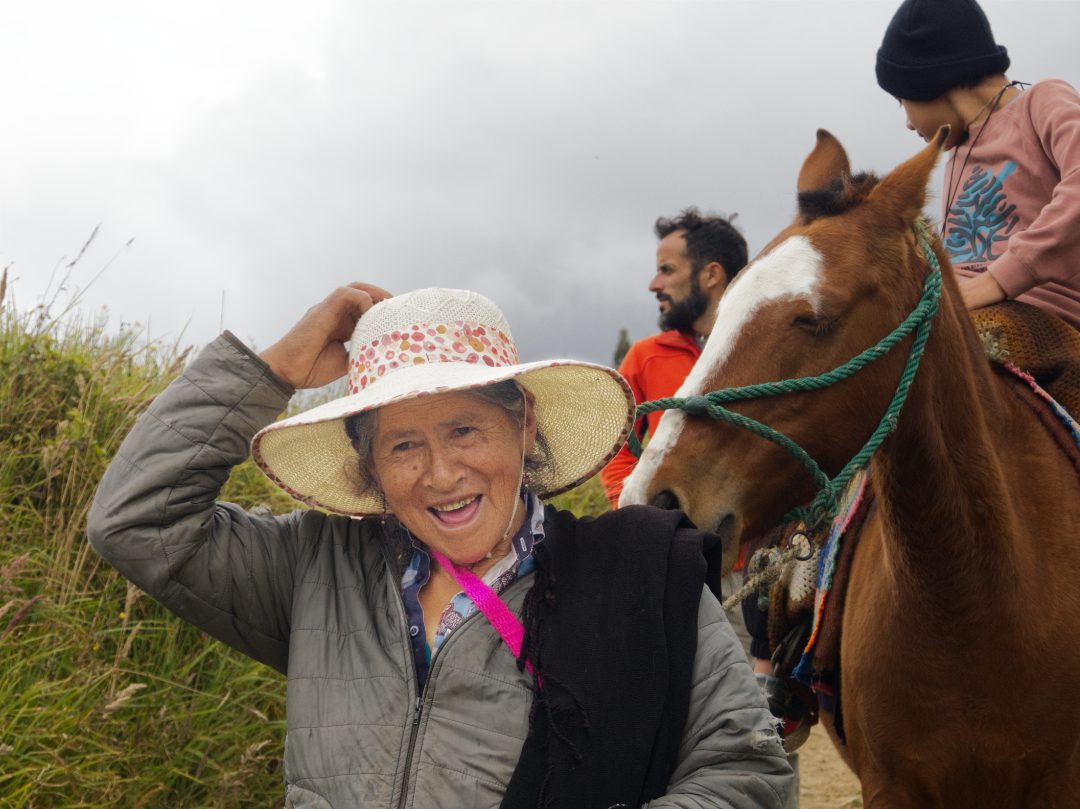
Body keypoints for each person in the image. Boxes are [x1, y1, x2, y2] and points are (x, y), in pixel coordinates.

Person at [87, 284, 793, 808]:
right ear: (369, 466)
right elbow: (136, 522)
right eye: (402, 443)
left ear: (525, 427)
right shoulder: (316, 571)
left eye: (465, 429)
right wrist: (271, 370)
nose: (442, 473)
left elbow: (750, 770)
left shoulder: (637, 579)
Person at [876, 0, 1080, 332]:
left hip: (1044, 313)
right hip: (958, 312)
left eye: (902, 102)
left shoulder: (1042, 102)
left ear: (929, 80)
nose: (909, 126)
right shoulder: (956, 157)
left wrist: (999, 281)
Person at [600, 208, 748, 509]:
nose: (654, 285)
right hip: (678, 539)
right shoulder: (645, 355)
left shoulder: (765, 349)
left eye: (667, 270)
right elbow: (613, 445)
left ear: (711, 275)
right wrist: (635, 510)